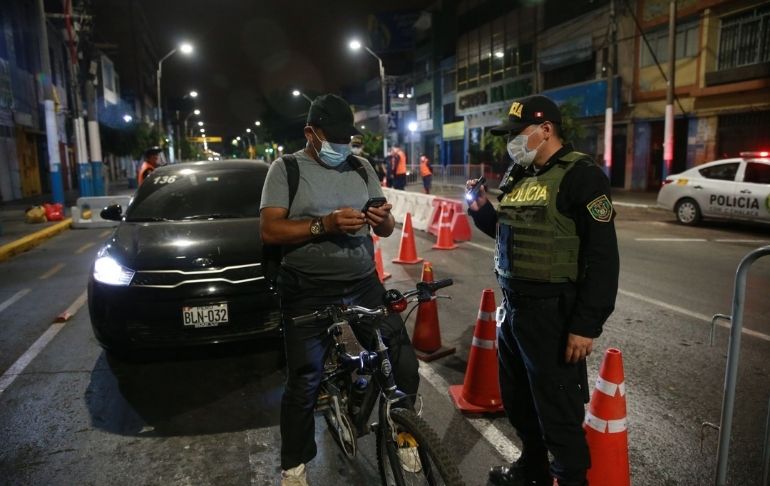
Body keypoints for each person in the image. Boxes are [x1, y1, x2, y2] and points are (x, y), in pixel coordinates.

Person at [259, 94, 420, 486]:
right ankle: (294, 464)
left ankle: (402, 434)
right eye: (335, 138)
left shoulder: (361, 166)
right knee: (305, 379)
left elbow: (384, 227)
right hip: (306, 288)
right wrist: (324, 225)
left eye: (348, 138)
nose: (343, 146)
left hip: (362, 281)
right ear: (311, 134)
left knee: (401, 360)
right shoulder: (286, 170)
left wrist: (383, 221)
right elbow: (270, 230)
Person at [466, 95, 619, 486]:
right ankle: (531, 469)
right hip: (514, 310)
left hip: (553, 313)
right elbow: (509, 234)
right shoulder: (519, 174)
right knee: (518, 402)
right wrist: (481, 208)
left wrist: (586, 324)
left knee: (559, 412)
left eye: (518, 133)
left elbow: (603, 257)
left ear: (546, 130)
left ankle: (570, 480)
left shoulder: (581, 175)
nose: (511, 142)